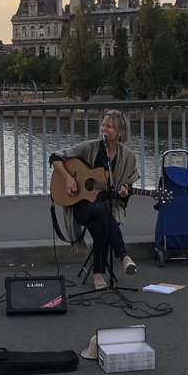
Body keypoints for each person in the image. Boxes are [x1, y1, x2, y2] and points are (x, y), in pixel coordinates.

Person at [49, 109, 139, 286]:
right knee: (100, 210)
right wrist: (68, 179)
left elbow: (128, 185)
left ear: (120, 132)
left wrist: (125, 191)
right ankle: (123, 255)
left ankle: (99, 273)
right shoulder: (89, 147)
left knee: (102, 219)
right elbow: (55, 156)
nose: (104, 128)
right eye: (103, 124)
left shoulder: (128, 156)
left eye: (109, 126)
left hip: (108, 207)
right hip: (81, 207)